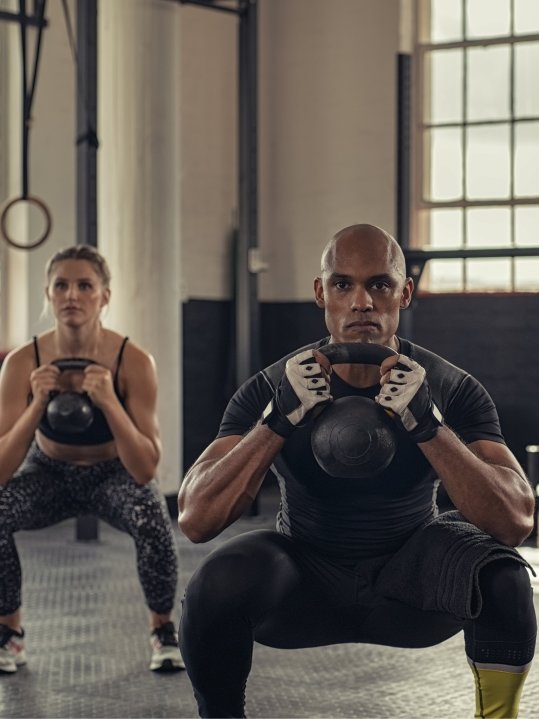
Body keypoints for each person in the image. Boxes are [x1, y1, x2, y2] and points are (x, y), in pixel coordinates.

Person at [178, 224, 537, 719]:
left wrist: (430, 426)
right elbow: (196, 518)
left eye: (380, 284)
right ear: (321, 292)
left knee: (504, 578)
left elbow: (516, 519)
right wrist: (277, 420)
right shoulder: (271, 387)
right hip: (304, 581)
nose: (362, 302)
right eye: (343, 284)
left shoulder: (451, 387)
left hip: (411, 584)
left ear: (404, 293)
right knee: (215, 585)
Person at [0, 244, 184, 674]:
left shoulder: (132, 361)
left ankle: (163, 630)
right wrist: (37, 402)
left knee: (152, 516)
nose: (72, 296)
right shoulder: (22, 363)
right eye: (61, 286)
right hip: (49, 472)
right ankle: (10, 632)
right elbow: (2, 470)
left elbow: (145, 468)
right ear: (47, 294)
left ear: (105, 296)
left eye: (85, 285)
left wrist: (109, 402)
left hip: (113, 473)